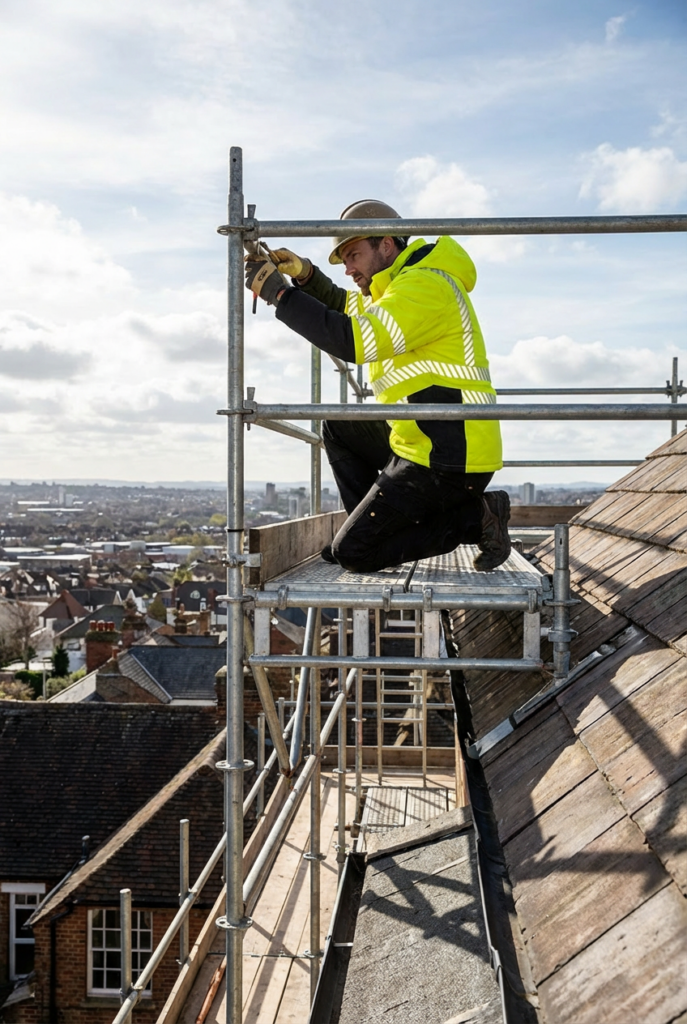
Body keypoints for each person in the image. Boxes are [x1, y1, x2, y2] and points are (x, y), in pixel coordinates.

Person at [245, 200, 511, 574]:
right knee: (339, 425)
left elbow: (353, 339)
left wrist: (280, 294)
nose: (349, 268)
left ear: (386, 244)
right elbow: (343, 305)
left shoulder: (425, 285)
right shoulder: (393, 288)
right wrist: (304, 275)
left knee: (356, 555)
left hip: (450, 457)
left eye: (353, 254)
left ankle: (477, 516)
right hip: (421, 440)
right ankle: (366, 529)